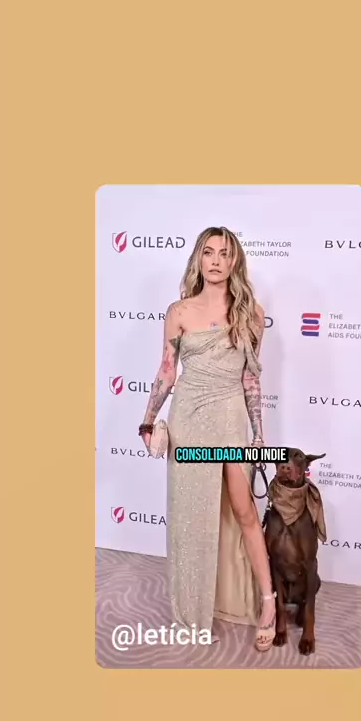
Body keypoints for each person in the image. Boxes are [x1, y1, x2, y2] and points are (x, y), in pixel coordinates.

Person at [138, 226, 276, 652]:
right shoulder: (179, 311)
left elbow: (250, 378)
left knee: (244, 511)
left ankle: (268, 603)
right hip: (188, 420)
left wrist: (258, 434)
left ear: (235, 262)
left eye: (224, 253)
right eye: (209, 252)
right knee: (190, 516)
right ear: (198, 259)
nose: (216, 261)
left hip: (230, 418)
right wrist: (148, 420)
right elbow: (167, 370)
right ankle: (192, 612)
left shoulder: (250, 313)